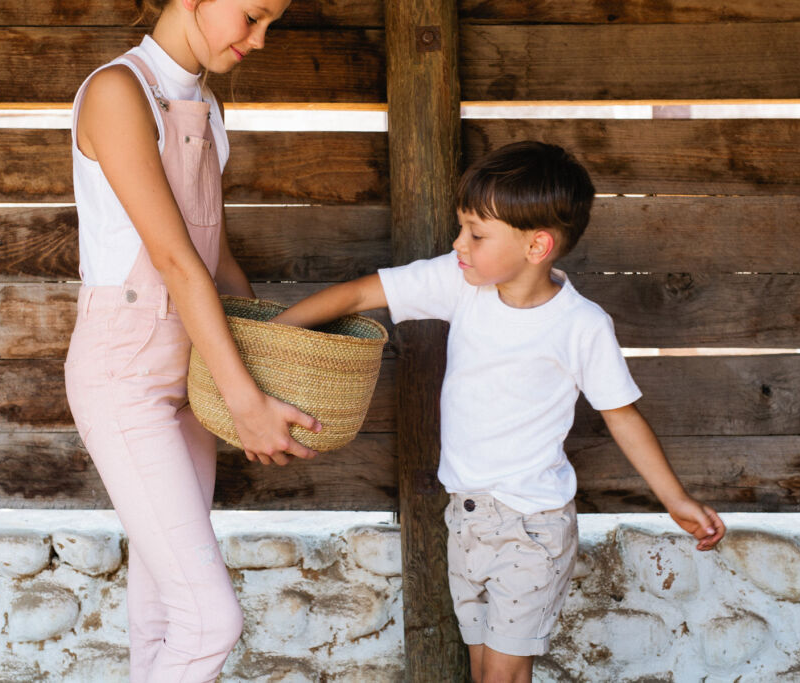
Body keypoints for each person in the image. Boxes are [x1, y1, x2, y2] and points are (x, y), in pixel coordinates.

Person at [272, 141, 726, 683]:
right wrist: (266, 343)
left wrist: (675, 499)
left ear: (537, 245)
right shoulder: (460, 283)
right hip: (465, 519)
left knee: (502, 677)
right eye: (461, 228)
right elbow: (354, 296)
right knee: (484, 668)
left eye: (476, 234)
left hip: (531, 527)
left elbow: (622, 416)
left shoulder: (582, 325)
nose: (459, 244)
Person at [63, 0, 319, 680]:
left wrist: (273, 367)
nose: (260, 42)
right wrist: (246, 404)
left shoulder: (206, 105)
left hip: (194, 374)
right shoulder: (119, 91)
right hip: (125, 375)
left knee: (162, 614)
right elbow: (175, 263)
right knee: (211, 620)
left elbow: (216, 260)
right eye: (254, 16)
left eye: (272, 25)